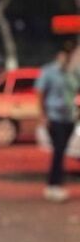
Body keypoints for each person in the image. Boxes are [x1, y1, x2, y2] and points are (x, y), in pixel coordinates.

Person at [36, 39, 80, 203]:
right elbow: (40, 93)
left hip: (70, 117)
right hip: (54, 117)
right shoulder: (49, 71)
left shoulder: (74, 73)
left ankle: (55, 184)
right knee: (59, 151)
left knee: (62, 151)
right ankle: (54, 185)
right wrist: (43, 115)